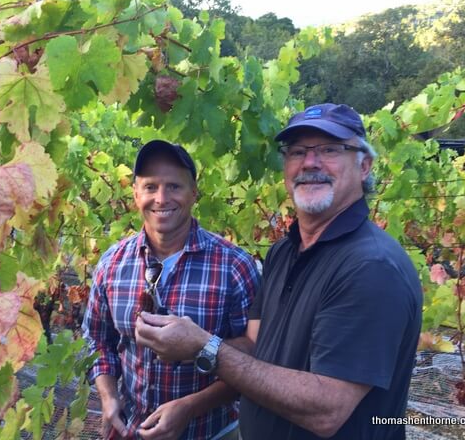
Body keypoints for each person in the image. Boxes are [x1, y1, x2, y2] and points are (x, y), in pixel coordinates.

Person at [136, 104, 423, 440]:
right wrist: (189, 386)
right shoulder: (283, 252)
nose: (310, 162)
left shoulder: (370, 267)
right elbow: (258, 349)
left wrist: (203, 346)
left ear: (364, 165)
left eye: (330, 149)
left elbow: (327, 410)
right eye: (297, 151)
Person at [82, 140, 261, 439]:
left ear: (194, 193)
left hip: (211, 431)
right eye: (150, 187)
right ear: (136, 194)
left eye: (174, 187)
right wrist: (109, 396)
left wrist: (190, 407)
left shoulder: (235, 266)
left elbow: (254, 356)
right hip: (132, 430)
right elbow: (97, 339)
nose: (161, 198)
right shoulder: (111, 264)